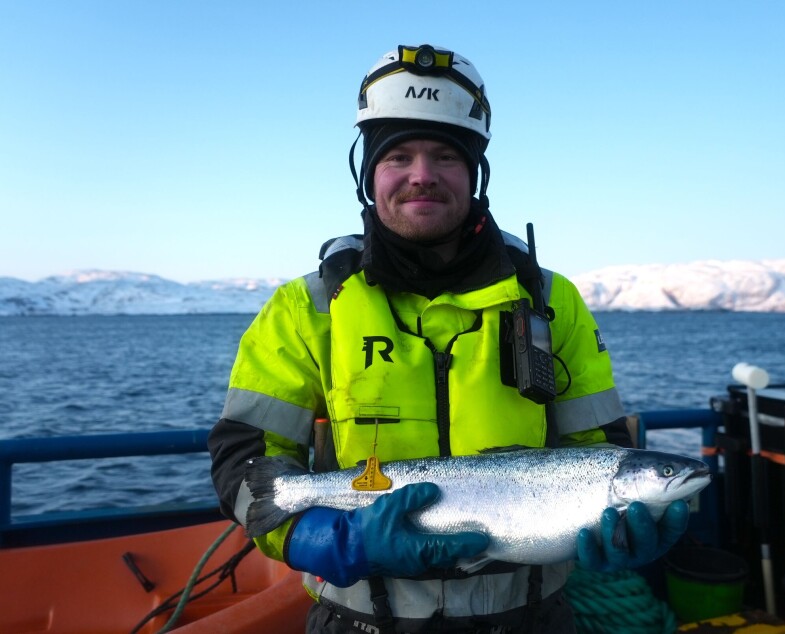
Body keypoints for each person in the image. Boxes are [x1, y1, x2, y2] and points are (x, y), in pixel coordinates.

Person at [208, 44, 690, 633]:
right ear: (368, 174)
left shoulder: (551, 299)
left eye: (445, 156)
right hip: (359, 620)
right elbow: (245, 464)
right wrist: (328, 538)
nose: (422, 176)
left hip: (533, 619)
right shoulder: (306, 307)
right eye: (398, 156)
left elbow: (600, 444)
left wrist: (629, 523)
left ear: (475, 173)